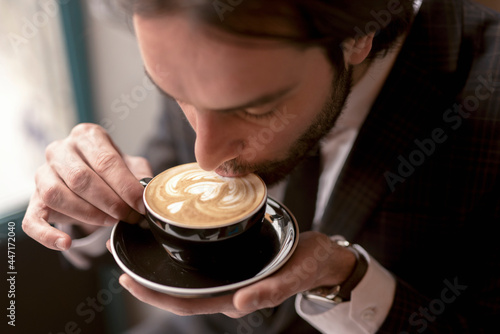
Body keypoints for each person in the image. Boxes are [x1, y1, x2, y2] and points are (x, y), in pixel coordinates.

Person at [22, 0, 500, 333]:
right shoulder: (195, 40)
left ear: (359, 36)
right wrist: (86, 199)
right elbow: (161, 227)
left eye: (254, 110)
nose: (205, 156)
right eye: (177, 96)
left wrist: (346, 281)